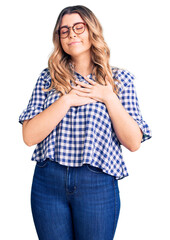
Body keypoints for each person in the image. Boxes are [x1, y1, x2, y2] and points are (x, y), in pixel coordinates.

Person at [19, 5, 152, 240]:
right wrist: (67, 100)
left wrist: (108, 96)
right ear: (59, 38)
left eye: (79, 27)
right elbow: (29, 136)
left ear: (92, 30)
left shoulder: (119, 79)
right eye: (65, 30)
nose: (72, 34)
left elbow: (133, 143)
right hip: (47, 182)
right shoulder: (47, 78)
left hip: (97, 183)